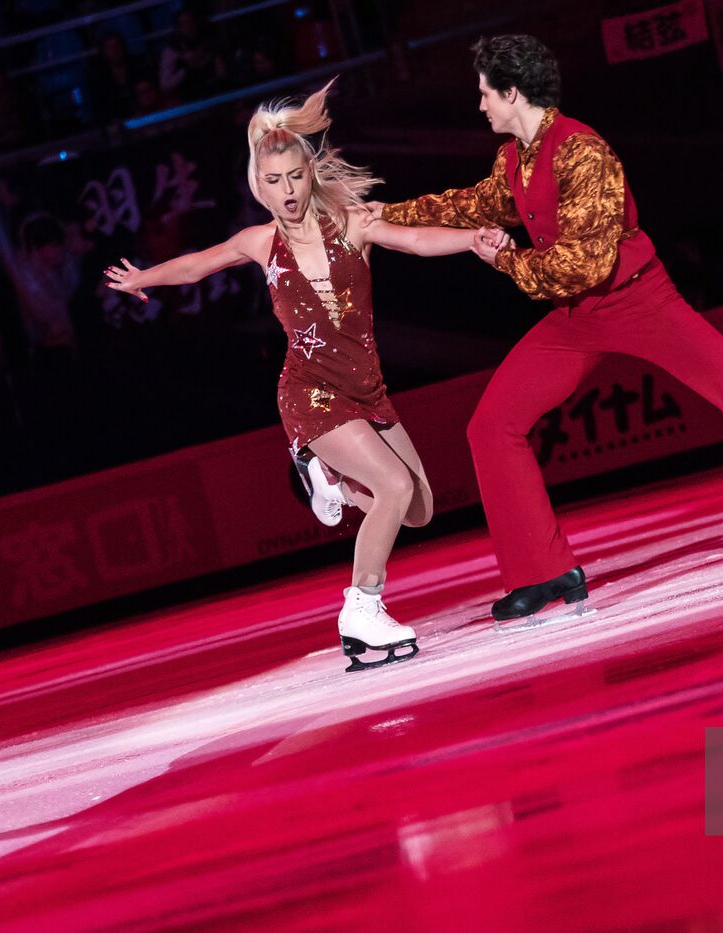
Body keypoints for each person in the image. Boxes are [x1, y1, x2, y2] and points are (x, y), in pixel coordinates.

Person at [369, 35, 723, 625]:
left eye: (484, 94)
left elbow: (584, 264)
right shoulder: (513, 159)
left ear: (512, 92)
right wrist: (383, 215)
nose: (480, 107)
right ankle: (543, 573)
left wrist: (504, 261)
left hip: (639, 300)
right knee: (490, 426)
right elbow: (473, 205)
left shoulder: (583, 152)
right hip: (578, 317)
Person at [106, 80, 507, 671]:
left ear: (308, 174)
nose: (287, 190)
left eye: (295, 176)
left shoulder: (351, 223)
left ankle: (330, 482)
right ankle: (362, 608)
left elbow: (416, 239)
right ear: (258, 187)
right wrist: (143, 279)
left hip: (367, 387)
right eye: (274, 182)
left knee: (418, 506)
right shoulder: (259, 241)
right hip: (310, 393)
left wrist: (472, 240)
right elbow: (196, 265)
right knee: (393, 489)